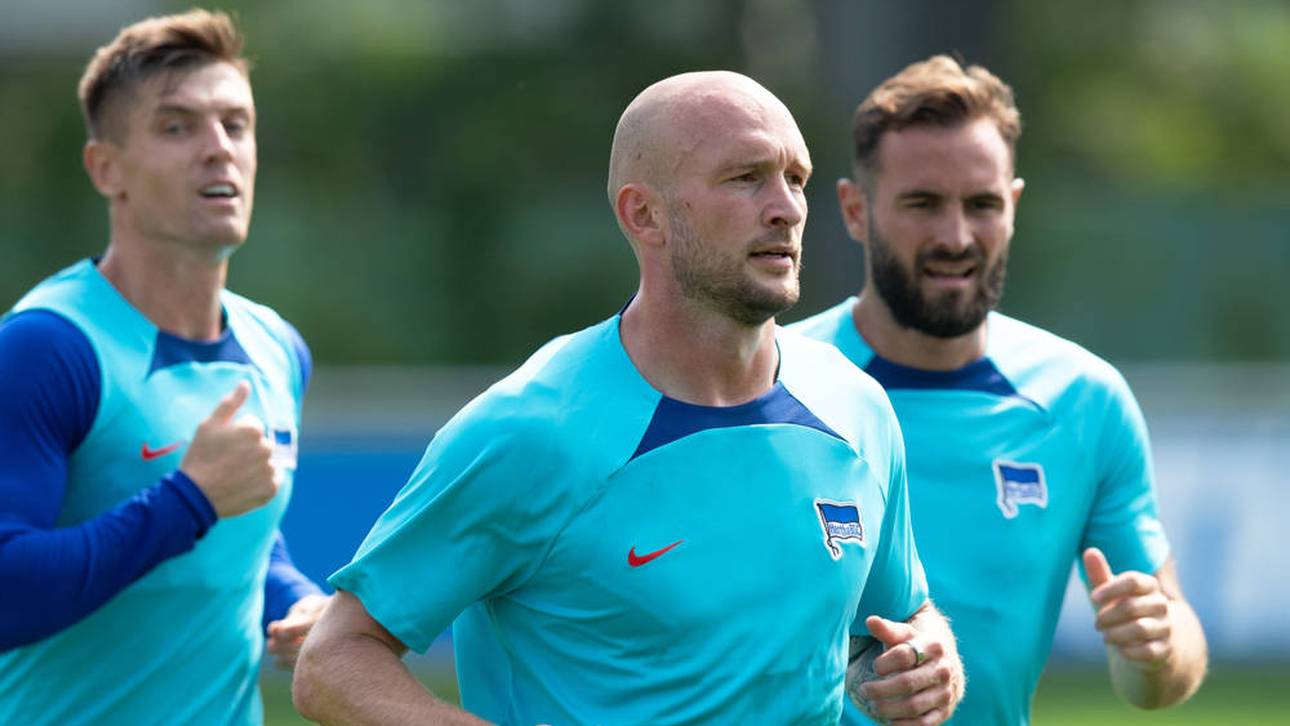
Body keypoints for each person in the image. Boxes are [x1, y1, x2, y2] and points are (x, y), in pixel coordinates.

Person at [293, 70, 964, 725]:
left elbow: (899, 623)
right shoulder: (530, 431)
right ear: (645, 215)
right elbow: (335, 661)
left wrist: (927, 665)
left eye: (796, 178)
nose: (786, 207)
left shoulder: (857, 407)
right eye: (745, 177)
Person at [791, 55, 1209, 725]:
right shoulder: (776, 380)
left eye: (981, 204)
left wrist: (1156, 647)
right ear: (855, 210)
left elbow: (1163, 667)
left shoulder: (1085, 402)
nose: (955, 237)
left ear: (1012, 206)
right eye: (923, 203)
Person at [0, 9, 329, 724]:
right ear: (106, 168)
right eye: (177, 127)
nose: (218, 149)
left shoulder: (277, 347)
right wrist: (188, 502)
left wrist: (296, 600)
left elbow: (244, 540)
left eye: (235, 124)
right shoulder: (46, 347)